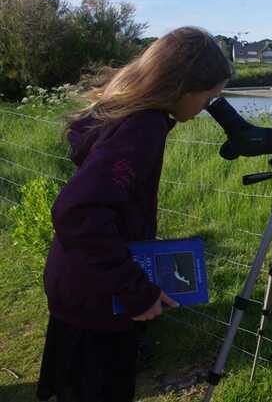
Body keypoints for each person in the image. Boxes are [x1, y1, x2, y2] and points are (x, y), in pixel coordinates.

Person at [36, 26, 234, 402]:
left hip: (78, 285)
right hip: (98, 298)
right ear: (184, 86)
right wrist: (135, 290)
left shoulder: (128, 116)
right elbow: (78, 210)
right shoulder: (142, 128)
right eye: (209, 97)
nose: (207, 107)